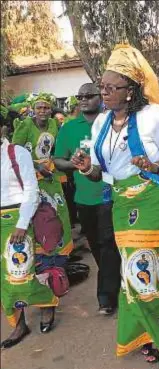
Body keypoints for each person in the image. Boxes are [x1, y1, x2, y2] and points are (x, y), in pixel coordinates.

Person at [70, 44, 159, 363]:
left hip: (155, 200)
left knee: (136, 274)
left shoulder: (152, 115)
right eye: (102, 86)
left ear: (130, 91)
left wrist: (155, 166)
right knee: (145, 275)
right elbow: (102, 174)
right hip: (122, 204)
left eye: (111, 87)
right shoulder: (100, 124)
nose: (105, 92)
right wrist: (87, 167)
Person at [53, 83, 121, 315]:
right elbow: (57, 160)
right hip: (83, 198)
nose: (83, 100)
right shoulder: (69, 129)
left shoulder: (112, 123)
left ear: (99, 98)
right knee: (97, 246)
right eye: (79, 96)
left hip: (111, 194)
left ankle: (106, 297)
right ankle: (115, 281)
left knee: (108, 243)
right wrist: (75, 163)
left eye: (88, 95)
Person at [1, 136, 59, 348]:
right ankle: (19, 324)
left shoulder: (17, 153)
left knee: (20, 274)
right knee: (2, 280)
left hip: (16, 220)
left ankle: (46, 301)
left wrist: (22, 223)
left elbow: (31, 190)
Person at [11, 93, 73, 270]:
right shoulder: (25, 126)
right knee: (39, 216)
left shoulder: (55, 124)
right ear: (33, 109)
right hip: (31, 180)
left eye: (46, 107)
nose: (43, 111)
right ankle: (41, 259)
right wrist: (37, 167)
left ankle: (60, 255)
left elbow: (57, 149)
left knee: (59, 212)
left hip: (51, 177)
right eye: (39, 107)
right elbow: (14, 153)